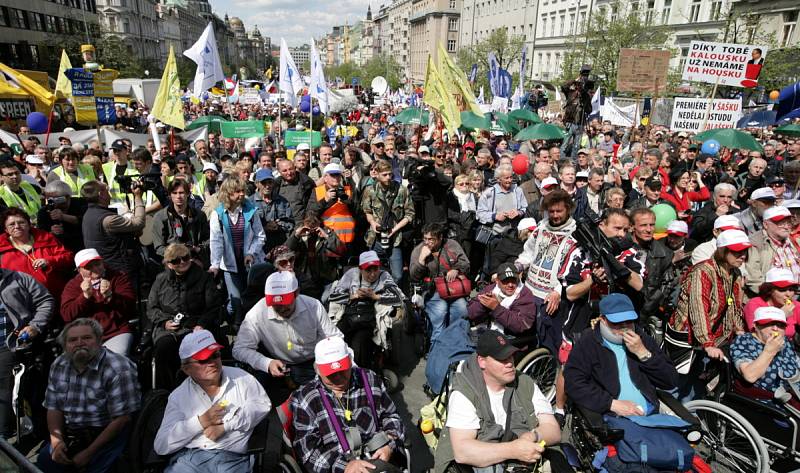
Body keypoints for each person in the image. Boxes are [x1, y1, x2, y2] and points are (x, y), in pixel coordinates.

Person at [433, 330, 561, 473]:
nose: (510, 364)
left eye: (511, 356)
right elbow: (462, 451)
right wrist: (514, 450)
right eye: (502, 359)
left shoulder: (525, 383)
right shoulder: (464, 393)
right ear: (482, 362)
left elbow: (553, 430)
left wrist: (533, 436)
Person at [153, 330, 271, 473]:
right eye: (203, 360)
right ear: (186, 368)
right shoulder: (178, 396)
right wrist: (201, 421)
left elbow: (262, 405)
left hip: (232, 459)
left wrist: (226, 426)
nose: (212, 363)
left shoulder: (243, 379)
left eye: (215, 355)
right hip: (190, 460)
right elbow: (162, 445)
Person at [37, 319, 140, 473]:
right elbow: (54, 407)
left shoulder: (118, 368)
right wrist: (56, 442)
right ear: (65, 345)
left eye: (86, 338)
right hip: (72, 433)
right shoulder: (59, 364)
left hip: (108, 434)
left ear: (99, 340)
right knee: (45, 461)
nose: (79, 343)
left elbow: (121, 420)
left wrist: (89, 453)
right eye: (73, 340)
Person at [291, 336, 406, 473]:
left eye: (343, 370)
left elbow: (391, 415)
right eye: (331, 374)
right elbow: (308, 451)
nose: (338, 378)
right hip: (337, 466)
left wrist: (389, 445)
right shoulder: (305, 399)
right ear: (318, 370)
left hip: (378, 457)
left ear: (350, 362)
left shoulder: (369, 379)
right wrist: (344, 466)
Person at [233, 272, 344, 402]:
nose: (281, 308)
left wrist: (324, 360)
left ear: (296, 293)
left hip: (314, 362)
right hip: (280, 367)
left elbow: (335, 338)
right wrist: (266, 363)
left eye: (285, 303)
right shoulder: (257, 313)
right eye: (275, 304)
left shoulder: (313, 306)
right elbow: (239, 349)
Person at [565, 293, 678, 416]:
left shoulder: (642, 338)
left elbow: (670, 381)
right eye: (617, 322)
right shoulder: (589, 342)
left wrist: (643, 354)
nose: (624, 327)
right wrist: (610, 404)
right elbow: (573, 383)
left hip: (650, 413)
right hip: (614, 417)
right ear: (603, 319)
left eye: (628, 321)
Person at [668, 230, 749, 400]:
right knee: (678, 383)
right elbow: (698, 307)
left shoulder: (735, 273)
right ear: (723, 251)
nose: (742, 256)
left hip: (713, 337)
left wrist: (738, 329)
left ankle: (692, 417)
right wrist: (707, 342)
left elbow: (732, 304)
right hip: (689, 337)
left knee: (698, 385)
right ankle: (665, 415)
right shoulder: (703, 271)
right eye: (737, 251)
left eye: (744, 251)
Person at [147, 243, 225, 390]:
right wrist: (164, 322)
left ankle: (199, 389)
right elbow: (151, 308)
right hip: (168, 328)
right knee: (163, 349)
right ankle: (165, 394)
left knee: (196, 349)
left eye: (185, 257)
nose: (182, 262)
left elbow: (214, 307)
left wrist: (202, 324)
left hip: (195, 326)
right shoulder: (161, 280)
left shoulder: (203, 278)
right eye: (176, 260)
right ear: (169, 264)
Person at [516, 190, 580, 355]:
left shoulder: (575, 235)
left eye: (559, 211)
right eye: (551, 211)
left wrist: (558, 292)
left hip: (552, 296)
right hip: (530, 290)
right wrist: (517, 267)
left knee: (549, 339)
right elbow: (529, 253)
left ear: (568, 209)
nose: (555, 215)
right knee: (528, 334)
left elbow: (574, 270)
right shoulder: (541, 227)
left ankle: (550, 373)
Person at [0, 267, 54, 438]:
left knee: (3, 382)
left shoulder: (19, 279)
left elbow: (46, 301)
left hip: (10, 343)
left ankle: (3, 435)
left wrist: (34, 326)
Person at [329, 251, 405, 369]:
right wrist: (354, 295)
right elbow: (333, 296)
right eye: (368, 270)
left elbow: (398, 297)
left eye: (375, 269)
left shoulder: (384, 275)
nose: (373, 274)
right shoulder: (352, 274)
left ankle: (360, 375)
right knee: (336, 340)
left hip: (368, 319)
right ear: (360, 269)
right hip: (349, 315)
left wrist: (375, 296)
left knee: (358, 343)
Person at [209, 176, 266, 327]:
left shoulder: (250, 211)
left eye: (243, 191)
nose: (242, 194)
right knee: (234, 300)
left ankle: (242, 325)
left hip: (249, 262)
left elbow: (260, 236)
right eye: (237, 191)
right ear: (228, 193)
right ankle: (225, 318)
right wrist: (214, 264)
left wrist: (251, 253)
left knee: (249, 298)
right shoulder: (218, 214)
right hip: (230, 265)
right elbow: (216, 241)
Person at [60, 249, 135, 356]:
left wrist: (110, 296)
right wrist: (85, 296)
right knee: (72, 364)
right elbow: (67, 315)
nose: (95, 269)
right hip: (83, 336)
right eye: (89, 267)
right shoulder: (73, 285)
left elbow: (130, 306)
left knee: (116, 360)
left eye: (97, 264)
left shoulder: (117, 277)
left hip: (115, 332)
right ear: (79, 270)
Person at [409, 223, 470, 346]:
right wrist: (421, 260)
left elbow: (466, 263)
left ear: (440, 237)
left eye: (431, 239)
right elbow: (414, 276)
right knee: (440, 311)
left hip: (453, 288)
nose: (427, 242)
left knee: (462, 309)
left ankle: (455, 341)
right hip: (433, 291)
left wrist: (456, 269)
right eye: (425, 238)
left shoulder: (452, 245)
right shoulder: (419, 250)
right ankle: (437, 347)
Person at [0, 207, 73, 302]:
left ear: (29, 224)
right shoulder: (1, 248)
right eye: (11, 224)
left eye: (21, 222)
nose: (17, 226)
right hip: (22, 302)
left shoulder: (46, 238)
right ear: (6, 229)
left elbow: (69, 257)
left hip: (55, 296)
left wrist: (49, 261)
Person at [361, 160, 414, 284]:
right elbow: (367, 211)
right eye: (384, 174)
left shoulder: (401, 190)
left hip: (395, 238)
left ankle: (392, 295)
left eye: (390, 174)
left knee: (398, 275)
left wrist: (395, 229)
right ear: (377, 174)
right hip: (375, 238)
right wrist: (373, 223)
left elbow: (410, 214)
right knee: (372, 274)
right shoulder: (370, 190)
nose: (388, 177)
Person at [731, 307, 799, 398]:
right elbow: (750, 376)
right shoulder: (744, 341)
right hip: (769, 401)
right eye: (769, 323)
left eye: (780, 325)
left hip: (795, 395)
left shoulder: (785, 341)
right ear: (755, 325)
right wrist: (769, 351)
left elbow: (796, 363)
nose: (775, 328)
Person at [80, 180, 145, 275]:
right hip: (119, 270)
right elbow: (139, 223)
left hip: (106, 267)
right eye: (106, 190)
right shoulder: (108, 219)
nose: (109, 192)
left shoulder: (88, 214)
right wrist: (138, 197)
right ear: (100, 194)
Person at [151, 179, 210, 264]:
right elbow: (159, 247)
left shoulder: (199, 215)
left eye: (181, 193)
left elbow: (208, 240)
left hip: (196, 260)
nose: (178, 196)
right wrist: (178, 255)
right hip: (172, 262)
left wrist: (198, 249)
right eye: (174, 193)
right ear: (170, 195)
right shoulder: (160, 217)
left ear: (188, 194)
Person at [744, 205, 800, 295]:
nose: (786, 227)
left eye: (789, 222)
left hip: (795, 294)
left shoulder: (793, 241)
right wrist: (774, 297)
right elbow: (753, 280)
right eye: (781, 223)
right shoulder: (755, 243)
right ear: (766, 224)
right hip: (769, 299)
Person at [743, 267, 800, 337]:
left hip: (787, 346)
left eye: (791, 289)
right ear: (769, 290)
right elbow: (756, 333)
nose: (788, 294)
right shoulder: (755, 304)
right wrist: (781, 314)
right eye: (782, 290)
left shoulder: (795, 305)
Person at [251, 168, 294, 255]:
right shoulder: (250, 203)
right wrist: (264, 227)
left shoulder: (282, 201)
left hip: (279, 246)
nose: (267, 186)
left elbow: (291, 223)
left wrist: (279, 225)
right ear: (257, 184)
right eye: (264, 183)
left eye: (270, 182)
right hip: (258, 248)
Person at [274, 158, 315, 226]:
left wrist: (309, 220)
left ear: (295, 168)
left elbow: (313, 204)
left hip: (301, 224)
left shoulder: (306, 182)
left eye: (291, 169)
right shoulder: (276, 185)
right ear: (279, 172)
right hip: (283, 225)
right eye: (284, 171)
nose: (289, 173)